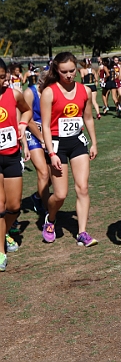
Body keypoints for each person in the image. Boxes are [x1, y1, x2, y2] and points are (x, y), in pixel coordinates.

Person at [40, 52, 99, 247]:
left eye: (72, 71)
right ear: (56, 70)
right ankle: (50, 219)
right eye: (64, 71)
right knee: (60, 195)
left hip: (77, 143)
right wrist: (51, 153)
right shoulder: (49, 92)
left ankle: (82, 232)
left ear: (77, 69)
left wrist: (94, 142)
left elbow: (88, 118)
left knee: (82, 187)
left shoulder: (84, 91)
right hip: (56, 145)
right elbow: (46, 126)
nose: (68, 75)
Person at [0, 58, 34, 271]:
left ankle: (4, 233)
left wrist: (22, 125)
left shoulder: (13, 94)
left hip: (12, 156)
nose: (1, 82)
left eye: (2, 77)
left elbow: (27, 110)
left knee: (14, 206)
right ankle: (1, 251)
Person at [23, 73, 51, 216]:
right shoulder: (29, 93)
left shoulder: (52, 91)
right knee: (44, 173)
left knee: (53, 177)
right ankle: (47, 211)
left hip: (48, 134)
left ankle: (37, 197)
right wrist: (41, 139)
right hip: (32, 134)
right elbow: (28, 119)